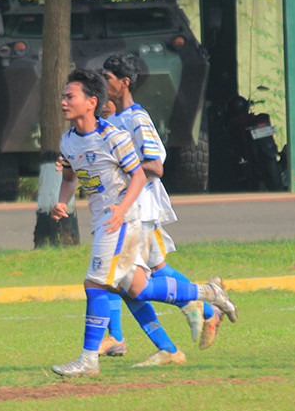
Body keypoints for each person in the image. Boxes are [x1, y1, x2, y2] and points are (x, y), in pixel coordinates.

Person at [50, 68, 236, 378]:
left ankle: (87, 360)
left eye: (70, 96)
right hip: (104, 221)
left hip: (123, 221)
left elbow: (138, 175)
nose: (63, 102)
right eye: (63, 96)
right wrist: (61, 200)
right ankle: (207, 293)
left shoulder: (114, 137)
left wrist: (122, 209)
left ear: (91, 102)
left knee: (95, 284)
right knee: (137, 288)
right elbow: (70, 176)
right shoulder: (68, 140)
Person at [96, 53, 225, 365]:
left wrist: (124, 172)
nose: (102, 84)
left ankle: (125, 338)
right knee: (149, 273)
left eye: (107, 78)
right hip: (127, 209)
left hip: (140, 209)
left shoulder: (137, 119)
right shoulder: (115, 120)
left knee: (121, 279)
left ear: (124, 83)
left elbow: (155, 164)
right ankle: (205, 310)